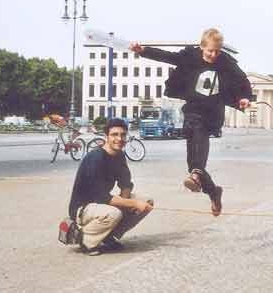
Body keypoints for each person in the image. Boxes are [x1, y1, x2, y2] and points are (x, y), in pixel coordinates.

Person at [129, 28, 252, 216]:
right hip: (193, 108)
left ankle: (197, 175)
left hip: (212, 111)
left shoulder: (225, 61)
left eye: (217, 51)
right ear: (202, 47)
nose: (213, 55)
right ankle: (213, 190)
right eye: (210, 50)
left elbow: (241, 79)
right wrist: (143, 51)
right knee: (193, 162)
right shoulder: (190, 56)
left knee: (198, 149)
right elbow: (168, 57)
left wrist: (244, 97)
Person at [68, 119, 154, 256]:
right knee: (115, 213)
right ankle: (85, 240)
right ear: (106, 136)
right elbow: (100, 196)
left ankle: (108, 236)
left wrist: (126, 202)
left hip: (101, 204)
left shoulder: (119, 155)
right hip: (83, 207)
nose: (119, 139)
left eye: (123, 135)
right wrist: (133, 203)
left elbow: (126, 183)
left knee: (147, 201)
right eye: (114, 134)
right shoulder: (96, 158)